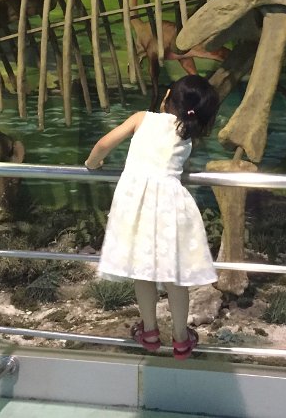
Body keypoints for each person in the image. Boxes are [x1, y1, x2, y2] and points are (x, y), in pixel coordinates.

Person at [84, 74, 220, 360]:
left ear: (167, 95)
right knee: (175, 276)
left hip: (135, 204)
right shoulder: (187, 133)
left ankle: (149, 331)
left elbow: (104, 144)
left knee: (142, 269)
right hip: (171, 206)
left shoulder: (141, 118)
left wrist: (92, 163)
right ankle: (181, 339)